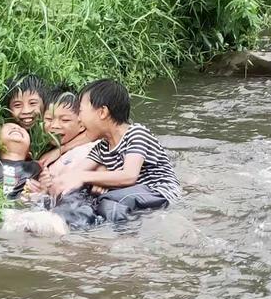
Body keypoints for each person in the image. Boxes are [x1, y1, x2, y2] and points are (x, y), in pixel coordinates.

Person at [51, 79, 180, 222]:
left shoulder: (136, 134)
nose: (79, 120)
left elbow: (129, 176)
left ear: (102, 112)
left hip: (158, 192)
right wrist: (52, 185)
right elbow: (74, 175)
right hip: (127, 197)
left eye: (80, 111)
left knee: (108, 201)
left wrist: (85, 177)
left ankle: (122, 240)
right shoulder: (101, 148)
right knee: (80, 197)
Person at [24, 83, 97, 195]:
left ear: (81, 124)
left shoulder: (91, 148)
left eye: (65, 120)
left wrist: (60, 150)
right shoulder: (35, 143)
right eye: (49, 119)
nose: (55, 125)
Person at [0, 123, 41, 199]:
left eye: (21, 128)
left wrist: (44, 190)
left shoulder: (37, 166)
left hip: (30, 206)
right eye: (8, 127)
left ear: (29, 151)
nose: (16, 128)